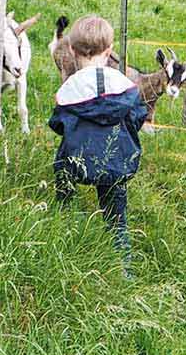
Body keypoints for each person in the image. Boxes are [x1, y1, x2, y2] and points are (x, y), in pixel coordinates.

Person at [48, 14, 150, 265]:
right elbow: (138, 117)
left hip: (77, 163)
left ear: (71, 49)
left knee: (63, 180)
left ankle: (62, 244)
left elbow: (57, 124)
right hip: (116, 163)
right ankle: (124, 270)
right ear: (110, 50)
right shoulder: (127, 87)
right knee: (118, 223)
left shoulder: (68, 91)